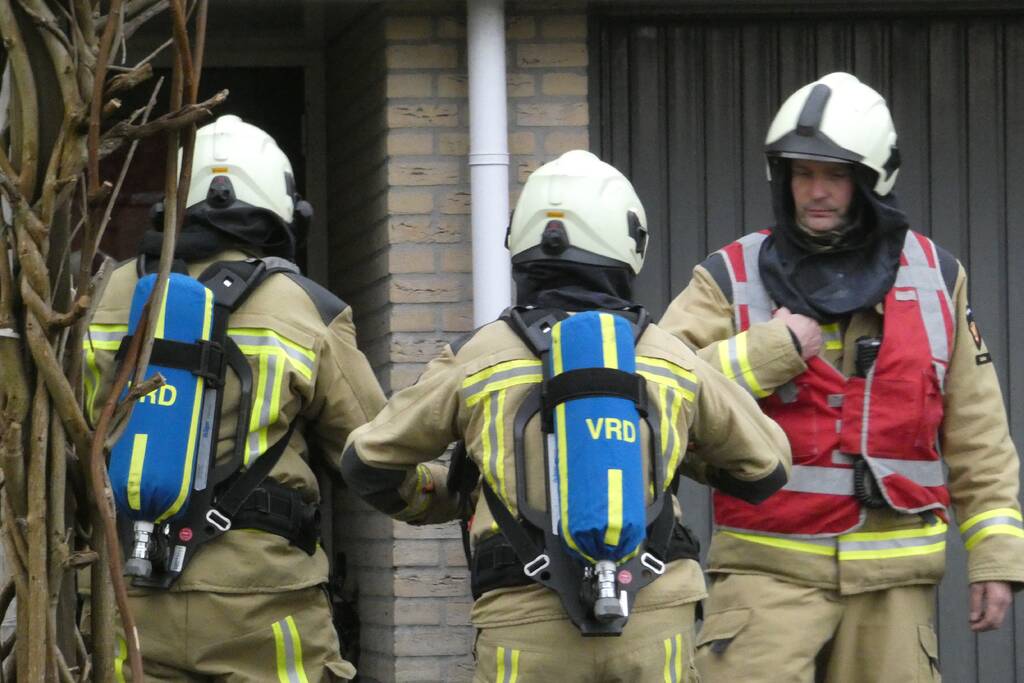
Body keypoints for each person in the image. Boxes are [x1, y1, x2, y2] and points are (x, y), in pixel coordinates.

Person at [341, 150, 791, 682]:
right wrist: (673, 452)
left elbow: (367, 460)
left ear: (522, 247)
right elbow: (767, 468)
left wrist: (442, 495)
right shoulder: (671, 357)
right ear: (629, 247)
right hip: (654, 618)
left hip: (523, 624)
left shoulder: (479, 355)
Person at [660, 72, 1024, 682]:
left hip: (893, 591)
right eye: (803, 174)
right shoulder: (728, 275)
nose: (816, 192)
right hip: (763, 585)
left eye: (834, 175)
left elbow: (978, 433)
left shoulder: (938, 278)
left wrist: (996, 557)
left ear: (872, 180)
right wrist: (767, 353)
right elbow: (656, 390)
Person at [83, 115, 385, 681]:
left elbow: (69, 430)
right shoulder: (305, 308)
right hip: (265, 600)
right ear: (282, 208)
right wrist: (433, 495)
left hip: (124, 595)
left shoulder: (106, 295)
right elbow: (374, 450)